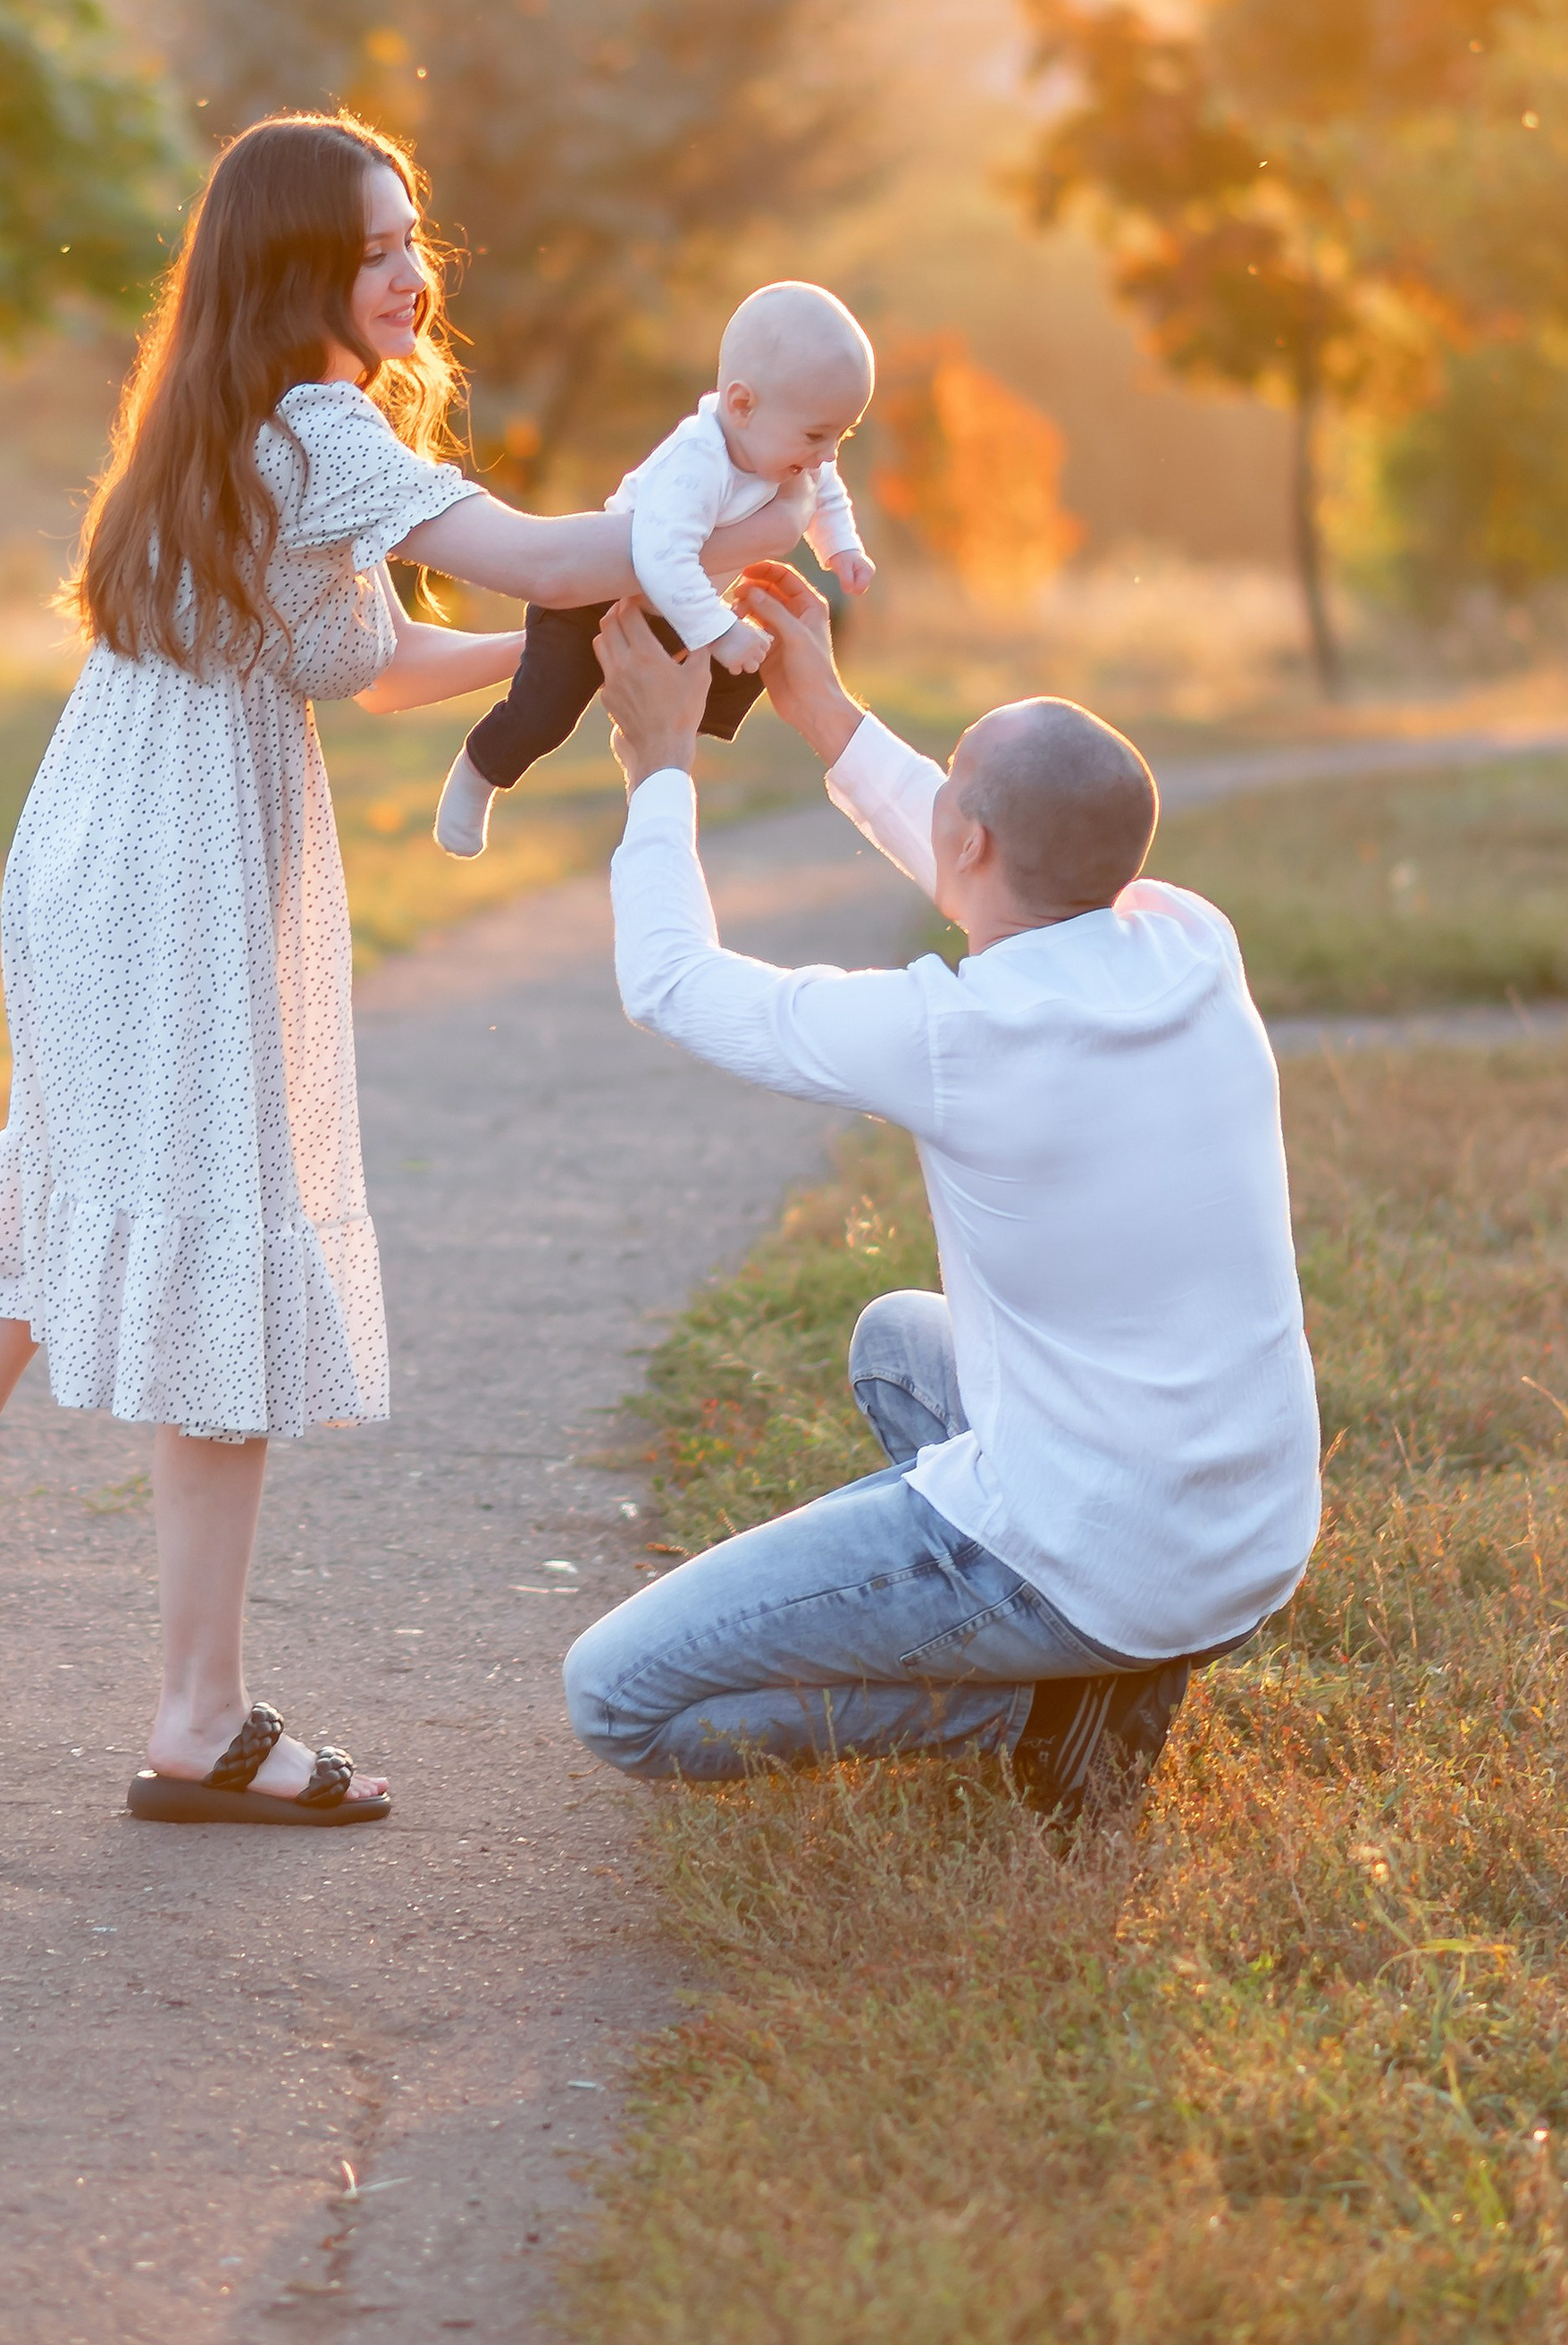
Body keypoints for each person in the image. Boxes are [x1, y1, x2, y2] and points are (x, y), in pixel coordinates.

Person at [0, 113, 818, 1828]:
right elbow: (561, 557)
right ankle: (197, 1717)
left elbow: (367, 654)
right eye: (371, 247)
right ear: (292, 273)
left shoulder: (216, 420)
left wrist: (588, 624)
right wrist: (715, 523)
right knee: (221, 1244)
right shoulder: (321, 419)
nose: (411, 270)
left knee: (55, 1200)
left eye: (415, 236)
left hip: (96, 841)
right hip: (183, 862)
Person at [562, 564, 1321, 1811]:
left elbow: (672, 985)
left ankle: (1038, 1705)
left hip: (1105, 1556)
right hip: (1246, 1541)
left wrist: (657, 773)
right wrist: (823, 710)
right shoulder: (1191, 939)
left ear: (966, 839)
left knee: (619, 1698)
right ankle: (1103, 1655)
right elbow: (1004, 853)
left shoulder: (961, 1034)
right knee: (897, 1345)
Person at [433, 282, 877, 860]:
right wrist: (721, 632)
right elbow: (660, 559)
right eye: (818, 436)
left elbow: (824, 489)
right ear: (742, 405)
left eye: (840, 436)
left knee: (754, 659)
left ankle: (654, 737)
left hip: (673, 605)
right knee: (545, 713)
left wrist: (840, 547)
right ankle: (478, 771)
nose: (825, 454)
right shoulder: (697, 463)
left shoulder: (786, 445)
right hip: (596, 599)